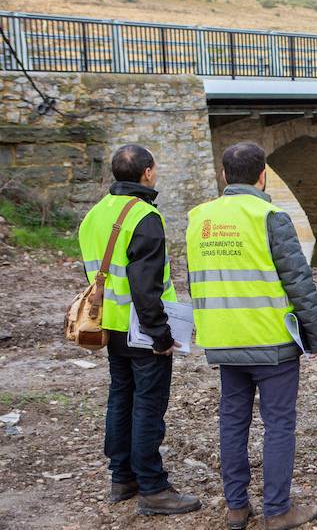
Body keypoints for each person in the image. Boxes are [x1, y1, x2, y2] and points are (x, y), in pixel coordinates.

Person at [186, 142, 317, 530]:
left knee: (233, 422)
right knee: (278, 424)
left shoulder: (198, 217)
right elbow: (298, 281)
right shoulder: (270, 216)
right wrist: (315, 336)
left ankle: (236, 507)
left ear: (224, 176)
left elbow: (193, 278)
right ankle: (278, 510)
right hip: (270, 342)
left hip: (223, 340)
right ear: (263, 174)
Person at [77, 144, 201, 516]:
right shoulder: (144, 217)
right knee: (148, 406)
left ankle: (122, 478)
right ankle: (153, 488)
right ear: (147, 172)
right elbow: (145, 288)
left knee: (121, 399)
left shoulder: (95, 215)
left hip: (109, 327)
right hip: (140, 329)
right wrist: (162, 335)